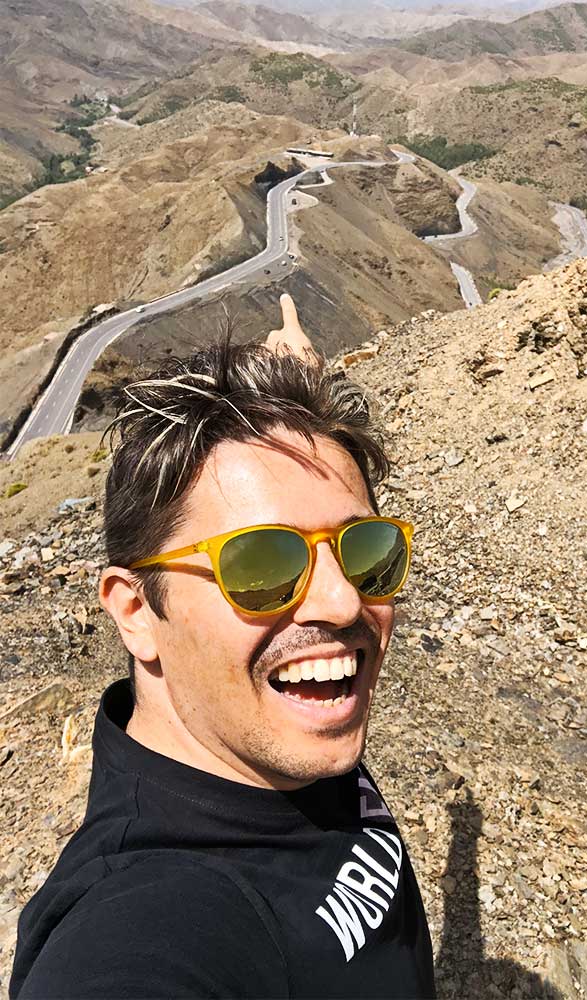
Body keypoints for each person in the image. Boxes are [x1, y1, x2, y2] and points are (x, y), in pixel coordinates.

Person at [10, 295, 435, 999]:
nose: (341, 600)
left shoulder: (266, 724)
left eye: (365, 549)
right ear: (136, 610)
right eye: (260, 565)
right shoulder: (149, 916)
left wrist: (295, 391)